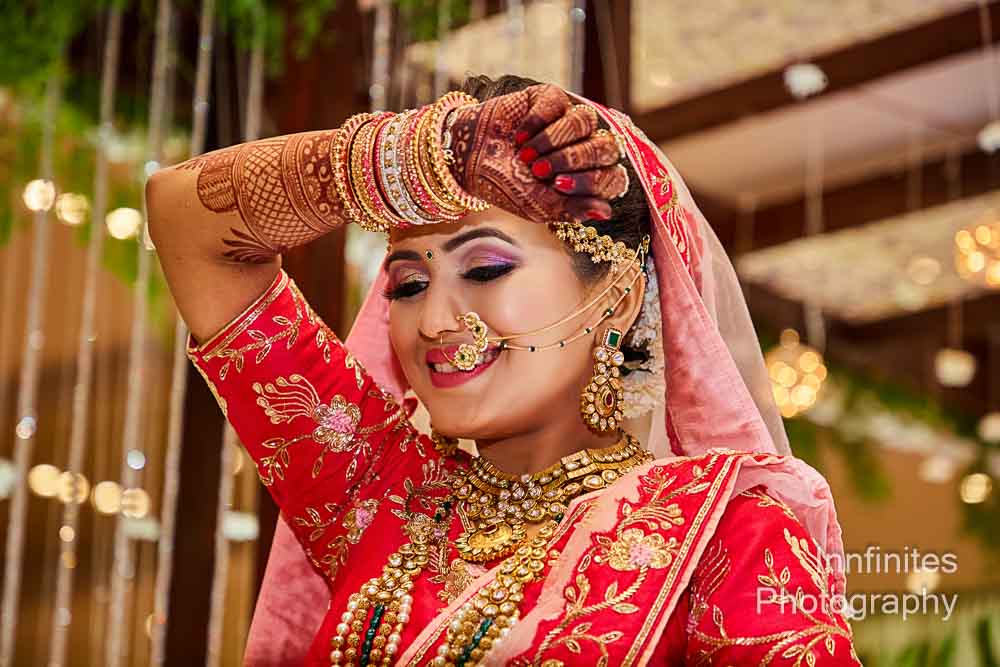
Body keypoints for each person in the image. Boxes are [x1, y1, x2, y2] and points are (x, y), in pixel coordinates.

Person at [147, 74, 860, 666]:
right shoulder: (378, 496)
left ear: (616, 297)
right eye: (407, 283)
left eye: (485, 268)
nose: (433, 321)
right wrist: (428, 155)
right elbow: (183, 216)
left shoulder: (728, 534)